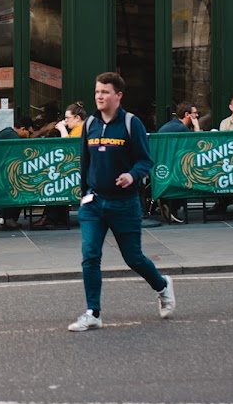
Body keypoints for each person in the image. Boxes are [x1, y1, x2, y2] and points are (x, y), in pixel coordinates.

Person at [68, 71, 175, 332]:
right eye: (97, 91)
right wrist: (84, 195)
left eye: (105, 92)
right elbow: (85, 162)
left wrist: (132, 175)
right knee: (90, 256)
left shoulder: (131, 123)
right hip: (94, 203)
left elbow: (145, 160)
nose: (99, 96)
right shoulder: (90, 124)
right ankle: (93, 313)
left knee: (133, 258)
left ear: (118, 96)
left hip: (124, 204)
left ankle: (162, 285)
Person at [31, 101, 88, 230]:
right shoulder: (78, 128)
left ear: (77, 118)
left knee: (55, 183)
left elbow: (68, 148)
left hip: (78, 172)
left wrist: (62, 129)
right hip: (75, 171)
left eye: (68, 118)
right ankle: (57, 217)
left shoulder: (82, 128)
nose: (66, 121)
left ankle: (50, 217)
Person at [155, 101, 201, 224]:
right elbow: (198, 143)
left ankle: (168, 204)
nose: (197, 116)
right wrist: (196, 126)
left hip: (164, 164)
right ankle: (170, 206)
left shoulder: (173, 124)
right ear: (187, 115)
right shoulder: (181, 128)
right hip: (170, 168)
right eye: (195, 113)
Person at [0, 114, 36, 230]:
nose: (29, 136)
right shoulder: (13, 136)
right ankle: (1, 213)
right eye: (29, 133)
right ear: (23, 129)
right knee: (23, 185)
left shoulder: (8, 132)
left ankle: (8, 217)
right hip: (0, 174)